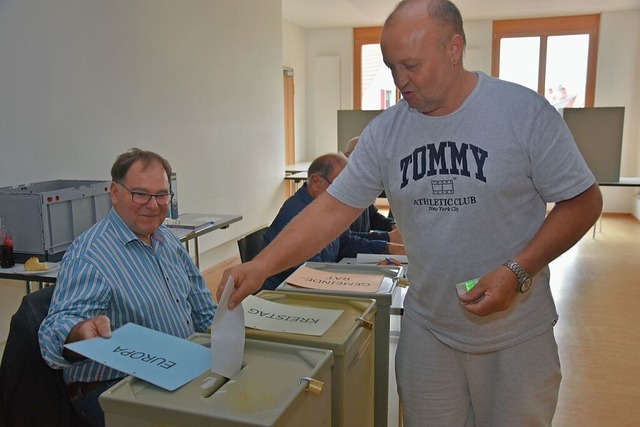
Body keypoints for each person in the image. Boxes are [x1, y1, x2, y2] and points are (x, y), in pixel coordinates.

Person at [218, 0, 603, 425]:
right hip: (429, 332)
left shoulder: (522, 113)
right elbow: (330, 209)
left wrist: (518, 269)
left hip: (514, 335)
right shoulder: (386, 133)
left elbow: (584, 200)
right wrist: (261, 265)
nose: (401, 80)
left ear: (453, 48)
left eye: (411, 65)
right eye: (390, 67)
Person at [38, 148, 216, 427]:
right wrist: (78, 332)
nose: (153, 205)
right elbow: (51, 335)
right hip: (114, 389)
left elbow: (204, 310)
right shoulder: (90, 256)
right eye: (140, 194)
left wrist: (229, 336)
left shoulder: (167, 240)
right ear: (114, 192)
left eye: (161, 195)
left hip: (178, 370)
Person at [260, 152, 405, 290]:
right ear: (316, 182)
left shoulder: (324, 209)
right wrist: (371, 274)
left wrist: (387, 247)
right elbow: (314, 277)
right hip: (284, 299)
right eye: (340, 186)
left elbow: (345, 242)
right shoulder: (297, 215)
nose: (345, 194)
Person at [344, 136, 401, 243]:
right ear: (347, 157)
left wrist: (392, 225)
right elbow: (345, 239)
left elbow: (373, 217)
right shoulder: (340, 188)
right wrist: (387, 238)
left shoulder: (362, 183)